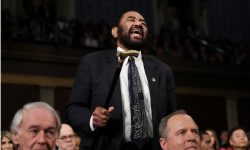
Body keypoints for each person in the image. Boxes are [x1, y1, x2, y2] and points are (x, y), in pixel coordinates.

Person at [66, 11, 176, 150]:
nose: (138, 24)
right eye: (131, 20)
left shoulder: (163, 71)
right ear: (115, 32)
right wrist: (91, 119)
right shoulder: (92, 63)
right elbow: (73, 109)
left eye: (143, 23)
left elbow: (172, 118)